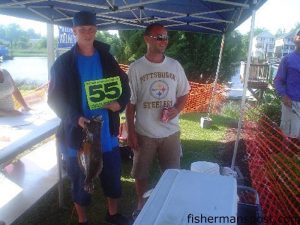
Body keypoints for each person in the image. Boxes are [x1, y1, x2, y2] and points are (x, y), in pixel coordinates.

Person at [48, 11, 131, 225]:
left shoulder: (107, 57)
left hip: (106, 134)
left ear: (96, 31)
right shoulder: (63, 63)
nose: (87, 33)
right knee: (80, 181)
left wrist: (119, 103)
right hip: (77, 135)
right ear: (74, 31)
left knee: (113, 177)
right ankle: (82, 220)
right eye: (82, 29)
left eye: (91, 29)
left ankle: (112, 215)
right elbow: (54, 100)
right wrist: (76, 118)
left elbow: (125, 87)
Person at [126, 23, 190, 218]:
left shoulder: (174, 66)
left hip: (170, 132)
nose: (164, 41)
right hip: (144, 132)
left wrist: (175, 110)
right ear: (146, 39)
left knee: (172, 174)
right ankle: (141, 204)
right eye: (159, 37)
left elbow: (185, 93)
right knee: (141, 174)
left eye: (165, 37)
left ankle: (170, 204)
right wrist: (131, 132)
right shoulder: (136, 68)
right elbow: (130, 104)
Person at [274, 30, 300, 139]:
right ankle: (284, 156)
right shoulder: (287, 59)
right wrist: (284, 96)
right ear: (295, 39)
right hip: (290, 103)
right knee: (287, 136)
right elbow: (278, 80)